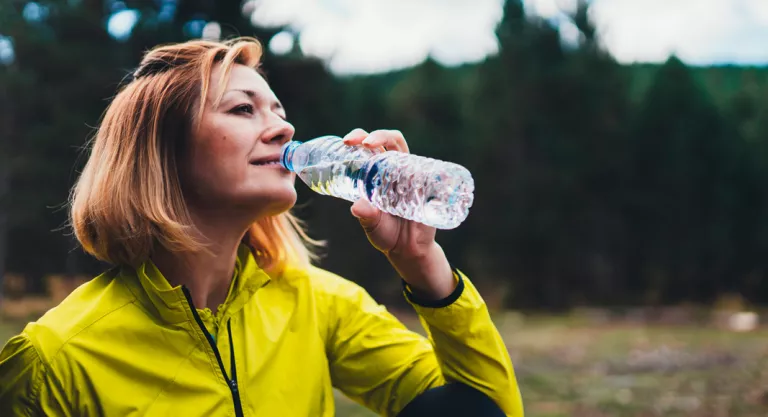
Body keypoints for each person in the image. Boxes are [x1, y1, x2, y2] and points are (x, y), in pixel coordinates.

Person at [0, 37, 523, 417]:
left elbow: (485, 411)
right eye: (243, 109)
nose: (285, 127)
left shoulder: (318, 305)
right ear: (162, 153)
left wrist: (425, 270)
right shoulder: (56, 360)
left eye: (278, 109)